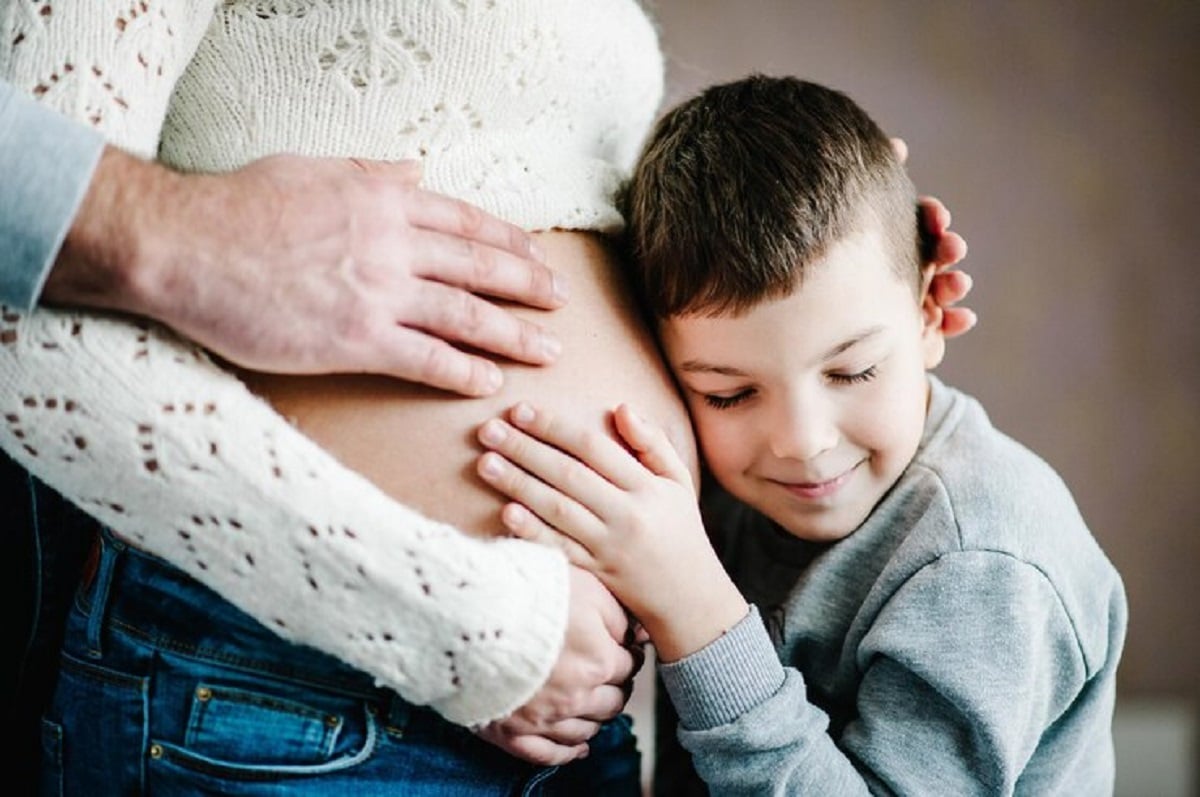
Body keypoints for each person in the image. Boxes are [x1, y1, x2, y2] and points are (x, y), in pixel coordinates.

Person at [1, 5, 971, 792]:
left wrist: (848, 217)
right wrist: (469, 629)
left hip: (579, 704)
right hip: (289, 684)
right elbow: (27, 333)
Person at [474, 75, 1127, 795]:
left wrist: (695, 607)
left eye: (852, 371)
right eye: (730, 393)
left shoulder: (986, 569)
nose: (802, 441)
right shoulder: (722, 488)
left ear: (931, 312)